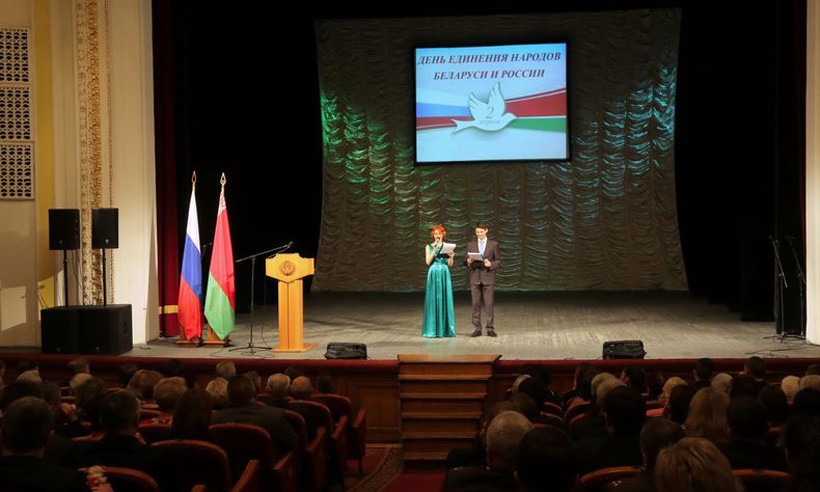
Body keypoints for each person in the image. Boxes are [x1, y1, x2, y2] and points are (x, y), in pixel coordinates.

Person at [465, 222, 500, 337]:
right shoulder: (471, 244)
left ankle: (490, 328)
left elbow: (498, 261)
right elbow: (465, 261)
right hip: (475, 277)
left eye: (481, 232)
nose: (479, 234)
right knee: (475, 304)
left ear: (486, 231)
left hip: (488, 277)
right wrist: (468, 261)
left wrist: (491, 264)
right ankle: (477, 329)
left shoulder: (493, 244)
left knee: (489, 304)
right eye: (477, 232)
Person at [422, 224, 456, 338]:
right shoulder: (429, 246)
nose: (437, 235)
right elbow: (428, 261)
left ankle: (445, 330)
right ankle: (432, 329)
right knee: (433, 299)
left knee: (445, 298)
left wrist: (451, 256)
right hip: (434, 272)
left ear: (443, 234)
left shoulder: (447, 247)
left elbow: (450, 264)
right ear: (433, 235)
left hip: (444, 273)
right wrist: (435, 249)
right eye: (435, 234)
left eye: (439, 233)